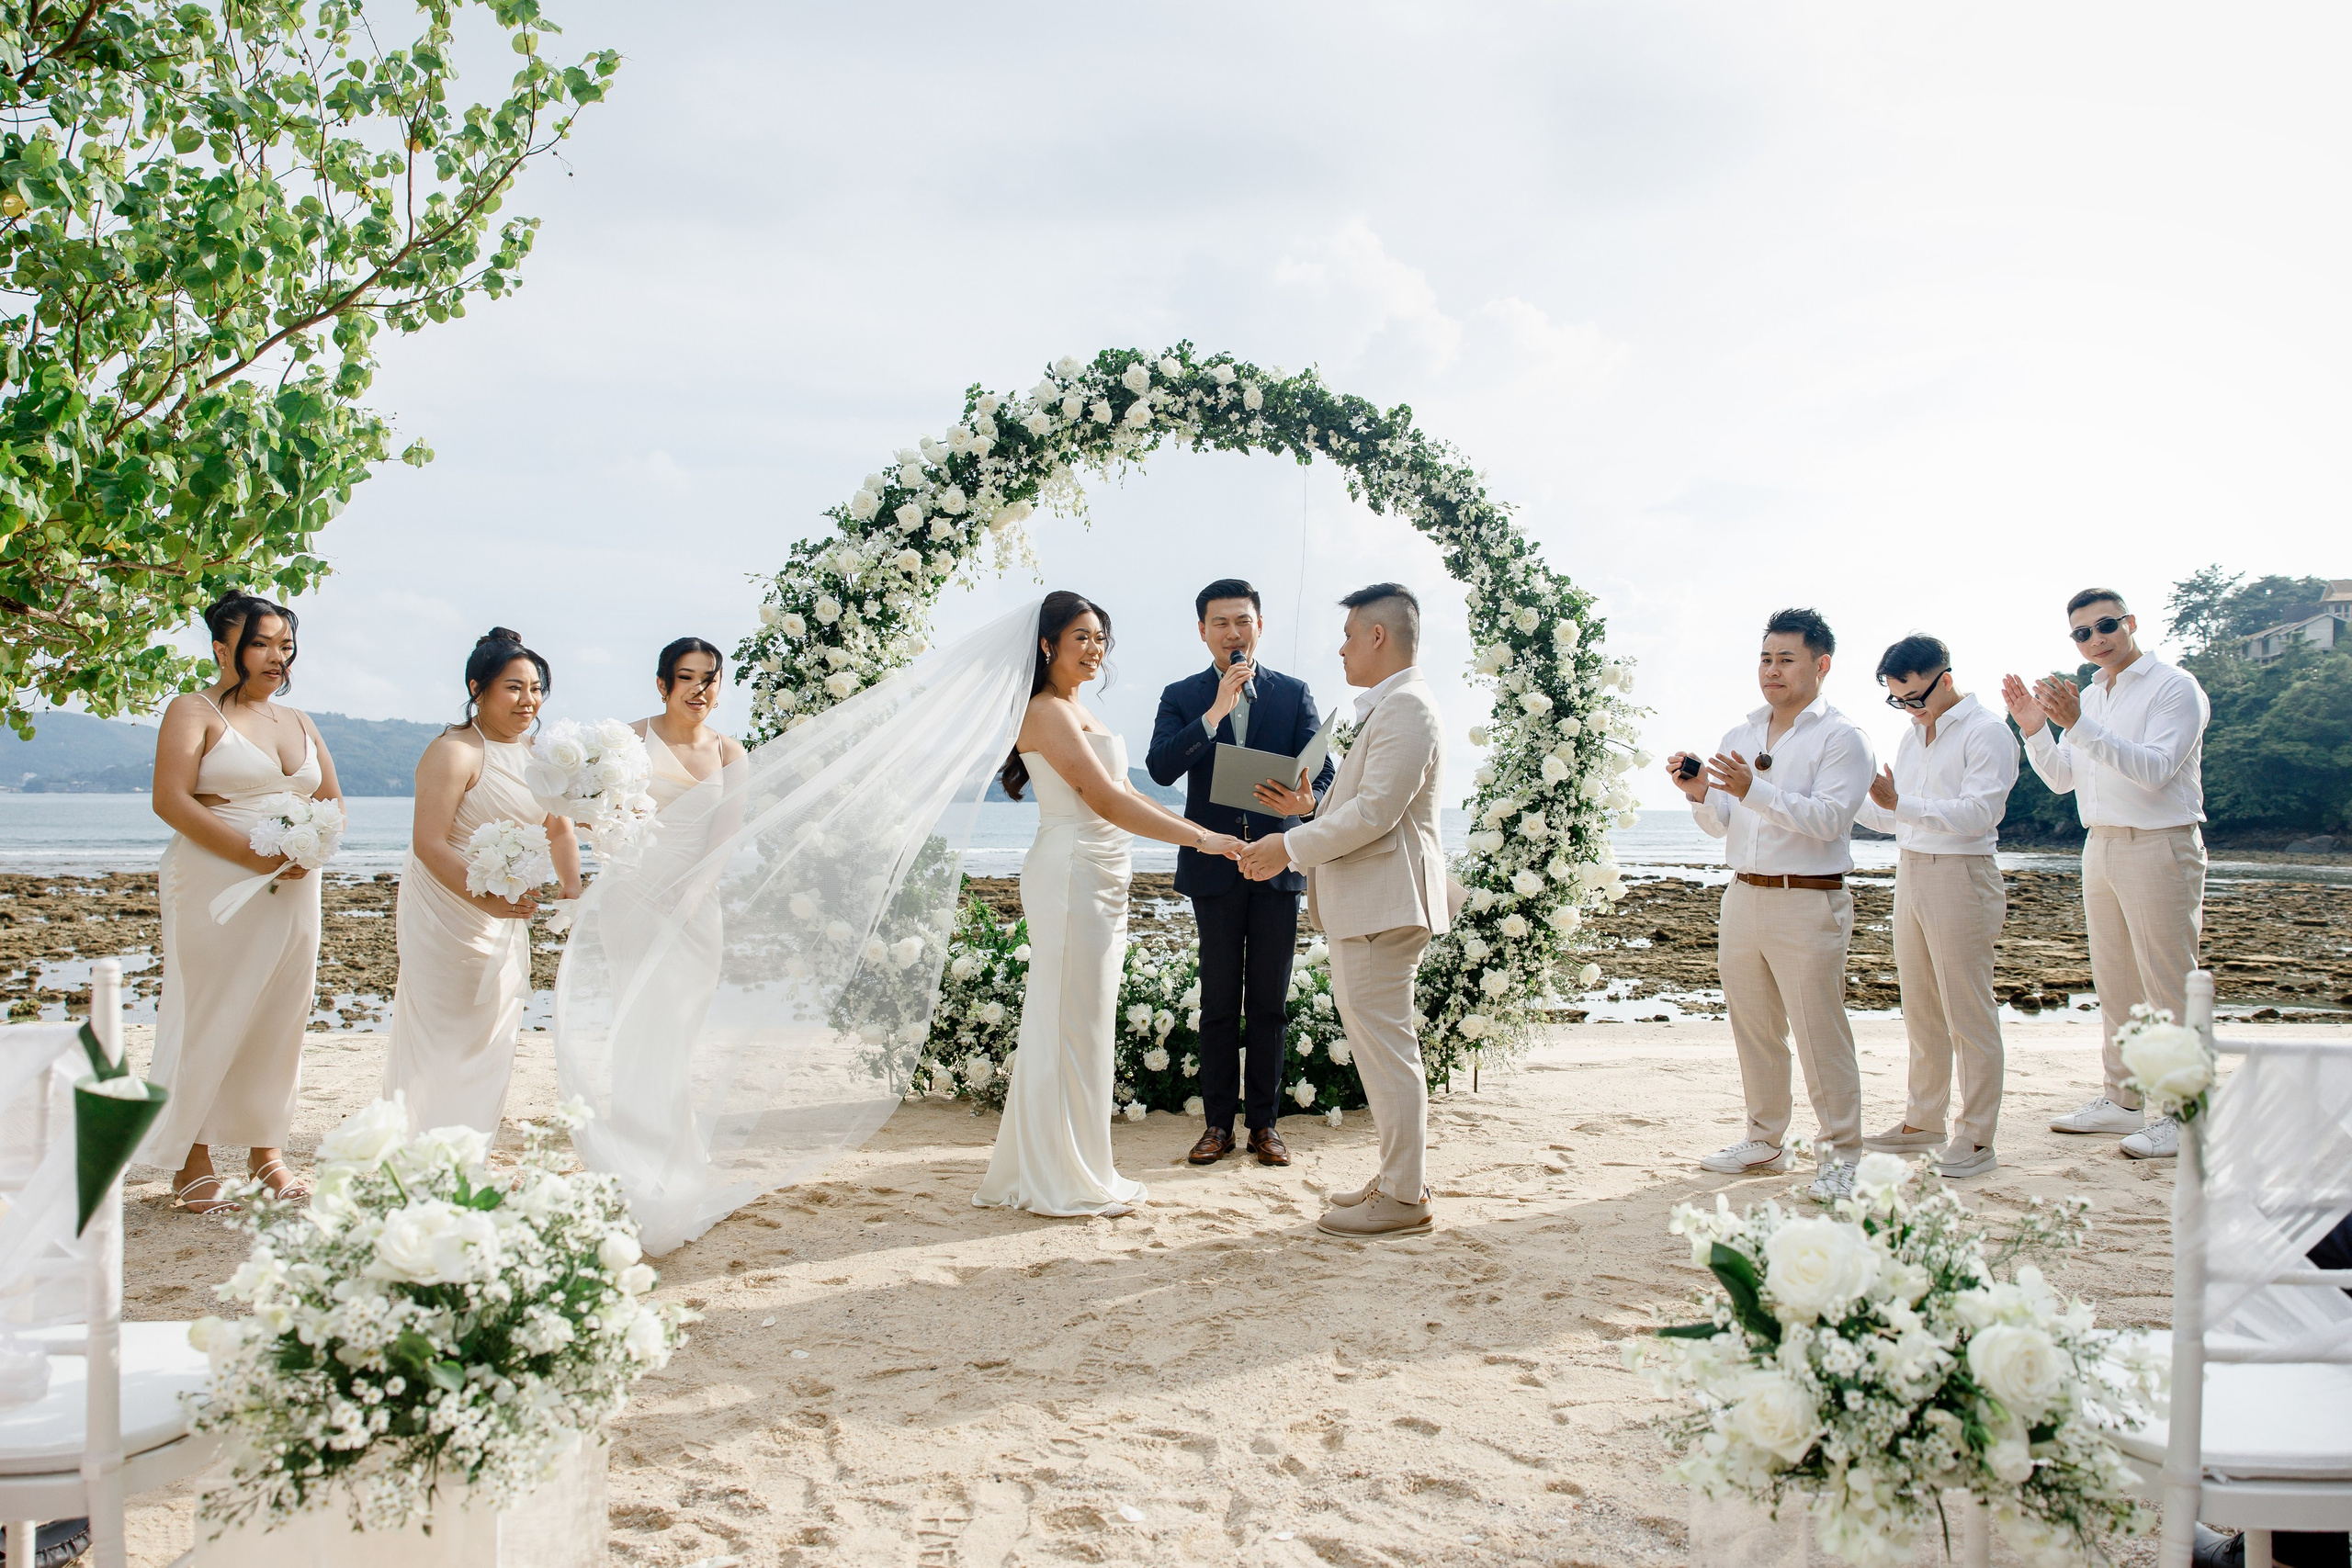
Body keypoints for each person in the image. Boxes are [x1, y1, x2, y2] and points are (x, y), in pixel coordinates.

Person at [975, 592, 1244, 1218]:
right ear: (1048, 645)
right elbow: (1105, 801)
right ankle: (1058, 1173)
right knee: (1070, 1019)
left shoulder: (1080, 711)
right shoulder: (1045, 710)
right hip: (1070, 872)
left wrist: (1199, 831)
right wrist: (1203, 838)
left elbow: (1128, 791)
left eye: (1100, 637)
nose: (1095, 648)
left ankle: (1075, 1162)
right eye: (1081, 637)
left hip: (1104, 874)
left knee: (1085, 1019)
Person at [1236, 583, 1455, 1238]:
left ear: (1379, 636)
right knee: (1380, 1047)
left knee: (1389, 1051)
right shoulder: (1395, 707)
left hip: (1384, 905)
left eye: (1350, 634)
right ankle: (1396, 1178)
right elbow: (1366, 806)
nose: (1341, 647)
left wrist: (1287, 845)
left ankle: (1404, 1195)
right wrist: (1310, 810)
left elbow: (1377, 812)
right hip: (1374, 902)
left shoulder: (1409, 707)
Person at [141, 591, 344, 1213]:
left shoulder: (301, 721)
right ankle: (191, 1156)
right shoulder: (192, 710)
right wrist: (249, 855)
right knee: (209, 1009)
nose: (277, 658)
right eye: (261, 643)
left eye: (284, 645)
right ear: (222, 648)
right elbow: (171, 799)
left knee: (281, 1013)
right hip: (215, 880)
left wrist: (316, 846)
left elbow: (331, 799)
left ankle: (266, 1154)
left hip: (293, 888)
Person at [1666, 607, 1875, 1201]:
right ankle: (1765, 1138)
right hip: (1744, 893)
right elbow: (1721, 825)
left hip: (1808, 898)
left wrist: (1753, 788)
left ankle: (1841, 1155)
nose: (1772, 670)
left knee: (1819, 1031)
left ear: (1821, 664)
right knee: (1754, 1026)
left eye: (1786, 659)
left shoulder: (1843, 736)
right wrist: (1700, 793)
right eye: (1766, 658)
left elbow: (1831, 818)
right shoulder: (1740, 734)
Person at [2002, 588, 2210, 1160]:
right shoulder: (2089, 695)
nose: (2096, 639)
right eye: (2082, 633)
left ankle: (2184, 1112)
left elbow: (2155, 770)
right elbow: (2065, 779)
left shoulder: (2175, 686)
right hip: (2102, 845)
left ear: (2130, 623)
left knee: (2168, 984)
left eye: (2106, 626)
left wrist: (2077, 723)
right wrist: (2035, 727)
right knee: (2115, 982)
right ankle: (2122, 1102)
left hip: (2159, 844)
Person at [1145, 578, 1335, 1168]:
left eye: (1243, 622)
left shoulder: (1294, 692)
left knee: (1272, 1003)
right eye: (1221, 623)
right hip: (1216, 866)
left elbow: (1323, 773)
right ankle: (1216, 1126)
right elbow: (1158, 770)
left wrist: (1307, 805)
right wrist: (1215, 713)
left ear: (1260, 626)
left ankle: (1266, 1127)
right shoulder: (1183, 695)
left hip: (1277, 866)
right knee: (1221, 999)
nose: (1233, 633)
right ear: (1202, 631)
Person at [385, 629, 582, 1135]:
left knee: (494, 1028)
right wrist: (485, 898)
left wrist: (572, 892)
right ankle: (423, 1148)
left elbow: (558, 826)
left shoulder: (541, 756)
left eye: (536, 688)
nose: (528, 700)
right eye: (514, 687)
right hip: (449, 911)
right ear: (478, 688)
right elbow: (429, 843)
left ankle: (469, 1149)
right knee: (446, 1030)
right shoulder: (454, 752)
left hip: (506, 910)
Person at [1854, 636, 2019, 1179]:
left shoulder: (1987, 731)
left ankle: (1976, 1138)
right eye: (1897, 701)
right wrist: (1863, 799)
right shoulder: (1911, 738)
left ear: (1945, 678)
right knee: (1921, 1007)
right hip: (1912, 871)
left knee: (1967, 1011)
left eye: (1915, 698)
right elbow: (1901, 820)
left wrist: (1902, 803)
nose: (1908, 710)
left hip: (1962, 874)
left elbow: (1978, 814)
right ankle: (1923, 1124)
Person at [632, 637, 748, 807]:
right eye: (686, 677)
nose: (699, 689)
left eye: (709, 680)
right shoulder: (630, 739)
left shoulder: (730, 754)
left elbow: (727, 830)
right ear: (662, 685)